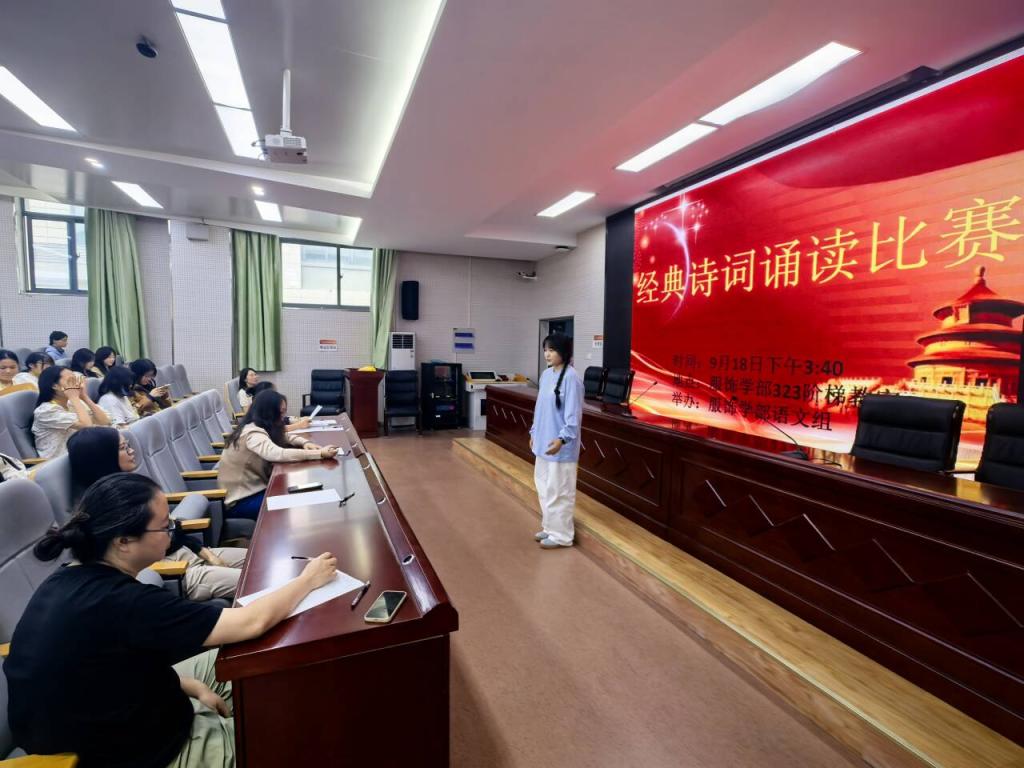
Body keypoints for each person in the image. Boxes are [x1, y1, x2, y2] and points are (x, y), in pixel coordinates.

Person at [4, 472, 338, 768]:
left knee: (251, 661)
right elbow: (251, 623)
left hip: (105, 708)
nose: (173, 532)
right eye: (165, 526)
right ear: (123, 542)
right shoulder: (128, 603)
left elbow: (104, 669)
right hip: (134, 752)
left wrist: (187, 684)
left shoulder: (67, 578)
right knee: (288, 744)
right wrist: (308, 579)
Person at [67, 427, 247, 601]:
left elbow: (174, 530)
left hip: (189, 553)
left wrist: (207, 555)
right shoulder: (102, 508)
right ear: (104, 458)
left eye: (128, 445)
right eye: (123, 448)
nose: (131, 451)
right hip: (177, 570)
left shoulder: (130, 487)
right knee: (256, 582)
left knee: (256, 560)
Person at [218, 390, 338, 519]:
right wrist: (319, 453)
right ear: (269, 412)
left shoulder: (259, 426)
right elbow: (277, 454)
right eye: (280, 412)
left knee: (295, 495)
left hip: (256, 491)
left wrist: (305, 442)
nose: (283, 417)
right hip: (241, 502)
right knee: (296, 504)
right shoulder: (252, 433)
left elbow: (285, 436)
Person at [529, 333, 584, 549]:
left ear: (563, 351)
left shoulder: (571, 377)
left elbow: (573, 416)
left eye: (551, 350)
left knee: (560, 491)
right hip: (543, 443)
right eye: (545, 350)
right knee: (544, 488)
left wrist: (562, 439)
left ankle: (562, 536)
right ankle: (550, 527)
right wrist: (534, 432)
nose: (547, 354)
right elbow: (540, 409)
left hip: (560, 446)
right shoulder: (546, 375)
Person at [32, 365, 111, 458]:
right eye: (70, 381)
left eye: (75, 380)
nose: (76, 384)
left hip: (80, 453)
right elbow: (87, 428)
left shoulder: (71, 403)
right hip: (59, 460)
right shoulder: (45, 411)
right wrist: (74, 397)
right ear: (54, 386)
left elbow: (104, 421)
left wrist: (84, 396)